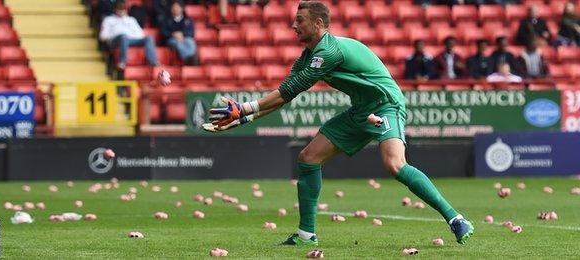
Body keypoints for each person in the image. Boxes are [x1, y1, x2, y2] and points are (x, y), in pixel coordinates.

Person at [202, 1, 474, 246]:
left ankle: (456, 219)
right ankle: (307, 235)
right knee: (308, 158)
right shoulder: (308, 56)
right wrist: (243, 118)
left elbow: (288, 91)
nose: (293, 25)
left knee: (394, 164)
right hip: (360, 111)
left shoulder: (329, 51)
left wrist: (243, 109)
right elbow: (284, 95)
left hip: (385, 104)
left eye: (300, 20)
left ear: (318, 24)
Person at [99, 1, 159, 70]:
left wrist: (129, 36)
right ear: (115, 10)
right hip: (115, 41)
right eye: (119, 9)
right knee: (123, 37)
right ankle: (122, 62)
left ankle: (153, 62)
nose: (121, 11)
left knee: (149, 38)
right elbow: (103, 36)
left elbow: (140, 34)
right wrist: (115, 35)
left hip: (130, 40)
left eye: (123, 9)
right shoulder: (108, 20)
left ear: (126, 10)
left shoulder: (131, 20)